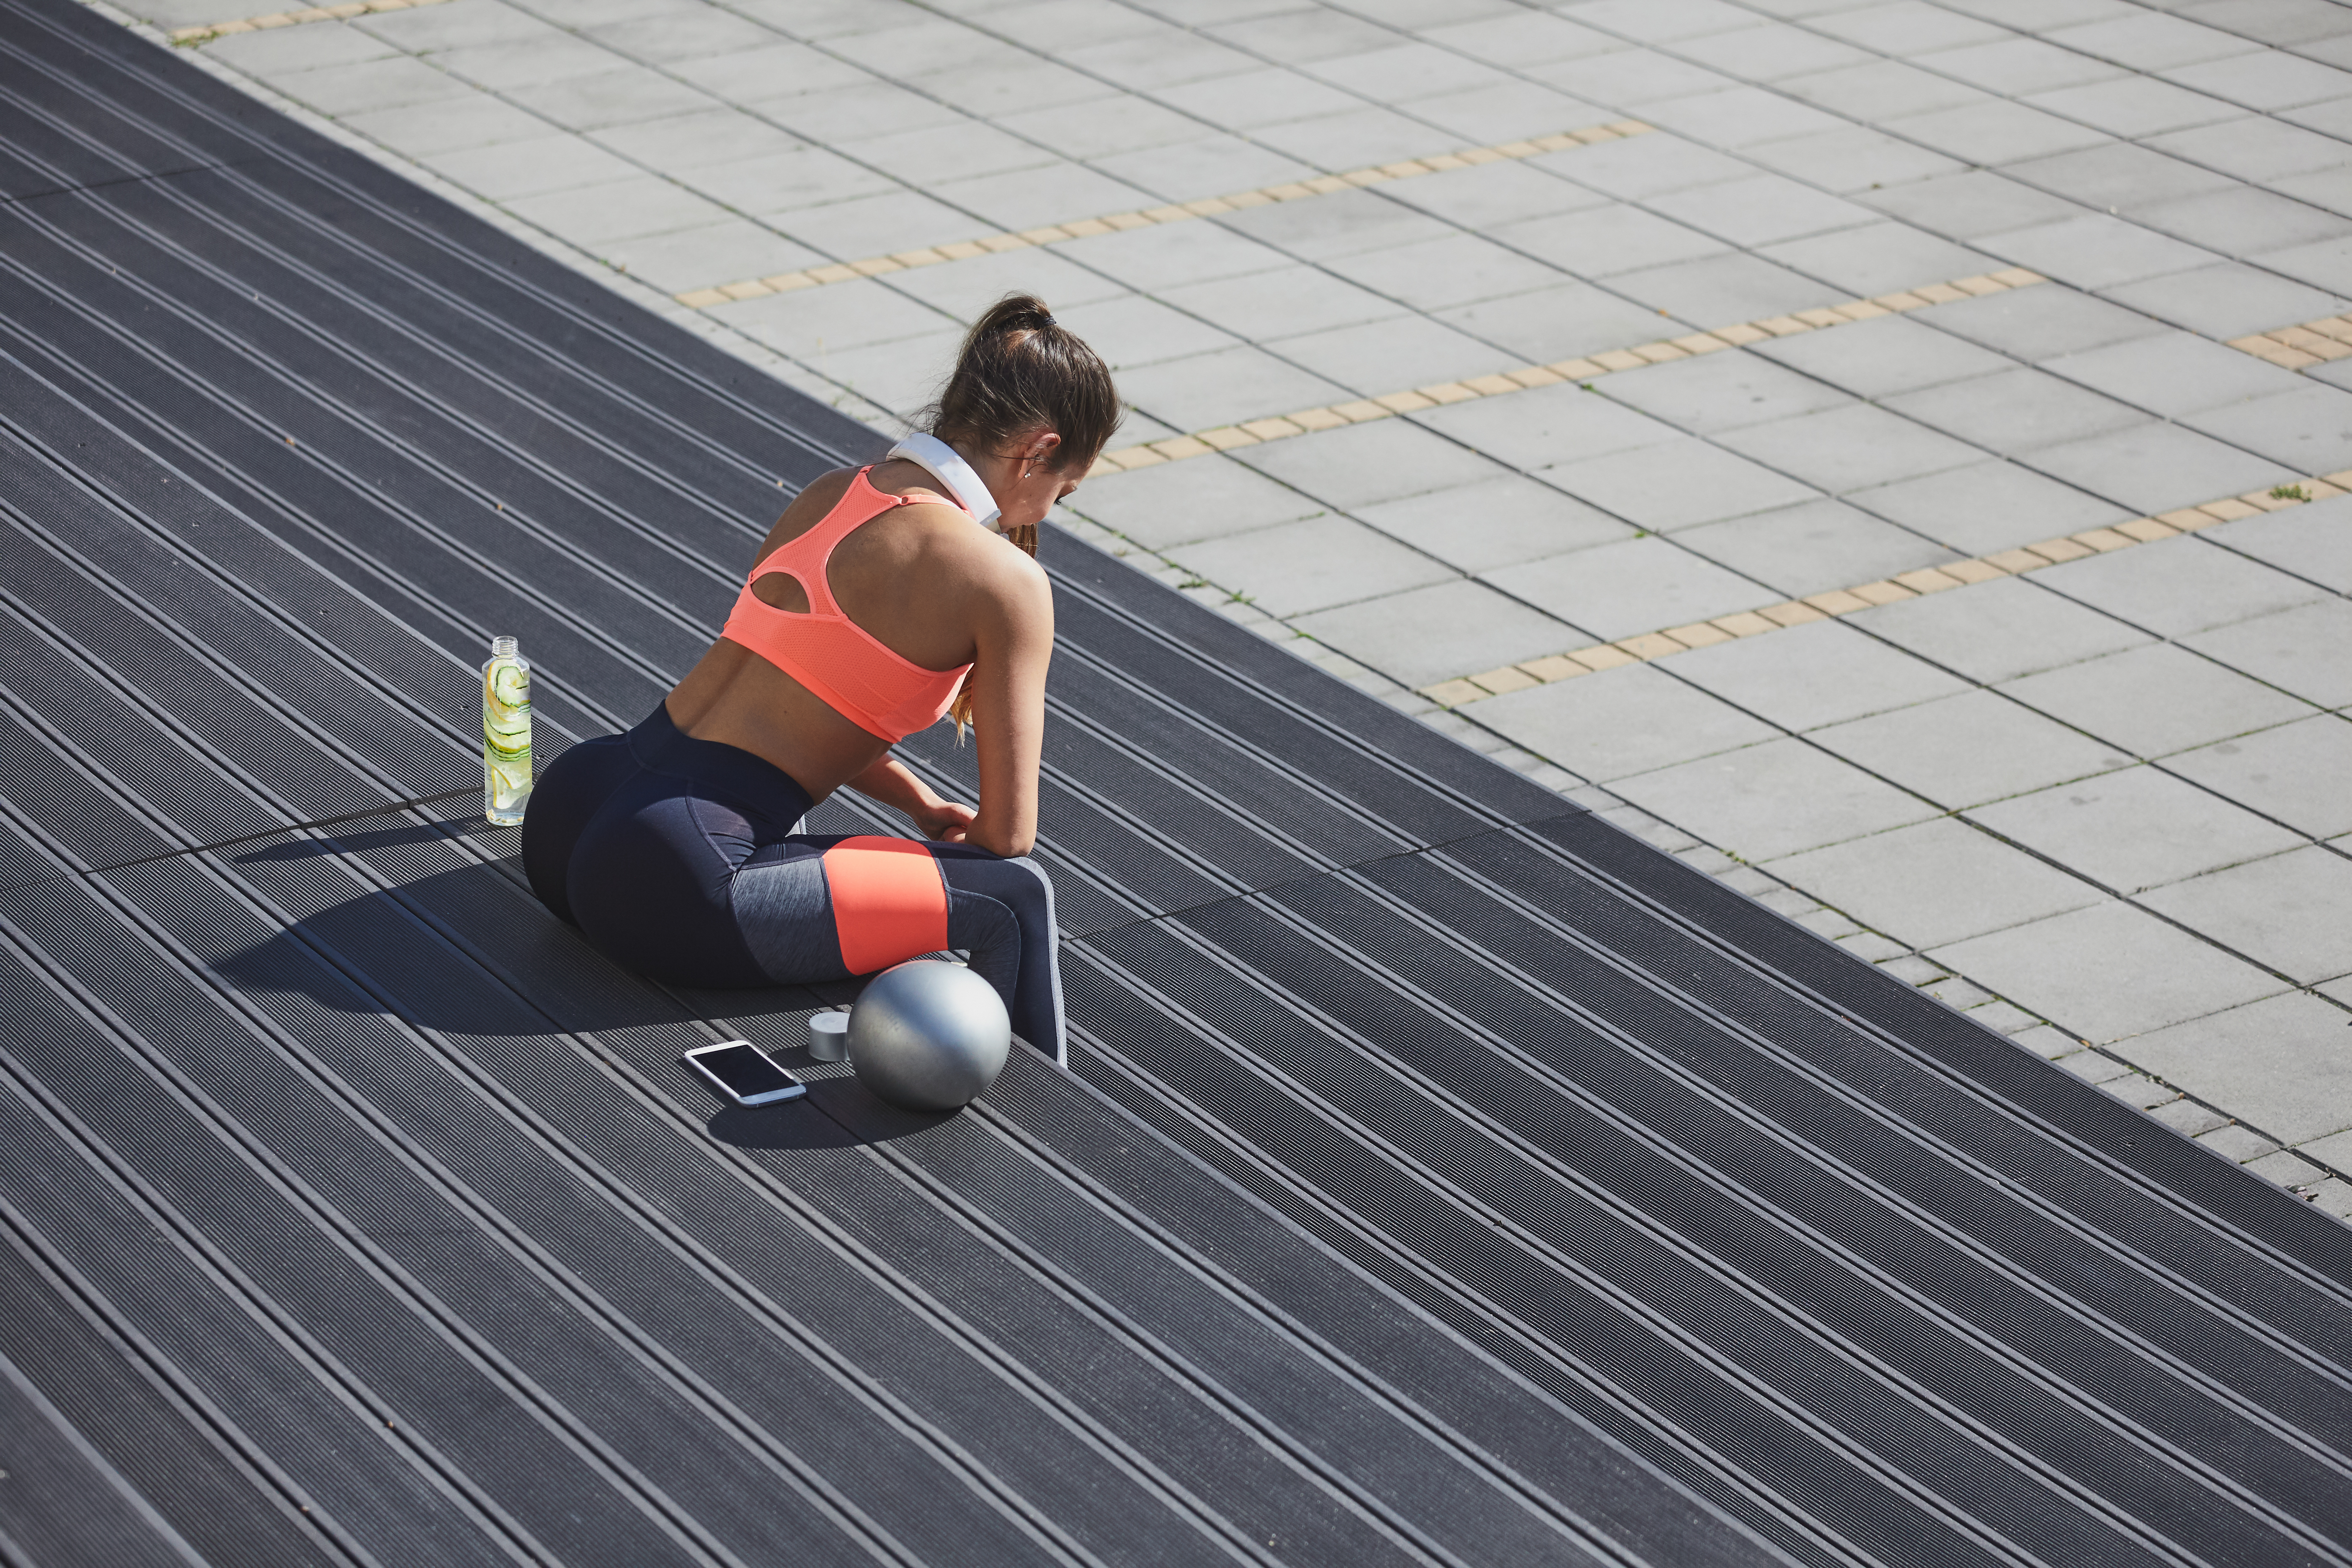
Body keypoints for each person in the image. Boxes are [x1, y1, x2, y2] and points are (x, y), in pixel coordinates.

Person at [521, 295, 1118, 1064]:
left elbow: (799, 699)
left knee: (791, 835)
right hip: (669, 878)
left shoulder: (835, 491)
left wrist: (920, 803)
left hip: (577, 807)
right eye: (1061, 493)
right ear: (1038, 452)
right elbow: (1008, 839)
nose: (1047, 511)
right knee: (1017, 898)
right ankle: (1050, 1143)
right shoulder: (1003, 582)